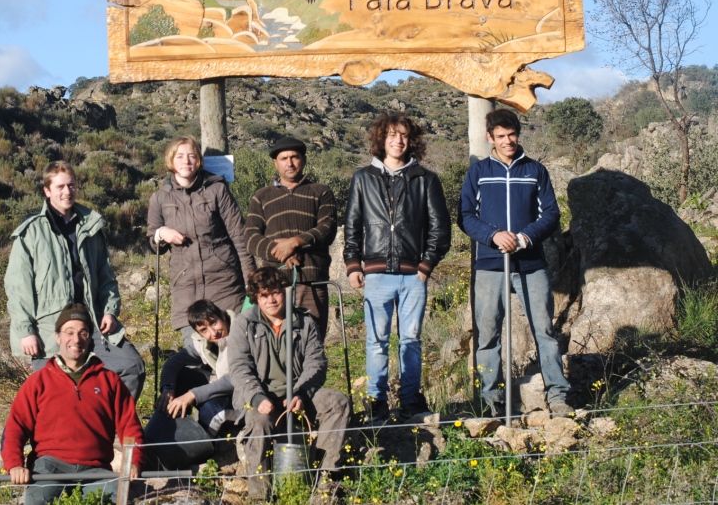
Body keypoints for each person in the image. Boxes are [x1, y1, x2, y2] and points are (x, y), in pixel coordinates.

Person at [460, 109, 572, 417]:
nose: (507, 141)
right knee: (487, 334)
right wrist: (493, 236)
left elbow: (551, 214)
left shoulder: (535, 170)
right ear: (490, 137)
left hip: (531, 263)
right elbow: (465, 216)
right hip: (490, 264)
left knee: (545, 331)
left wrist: (525, 238)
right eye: (501, 136)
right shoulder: (478, 172)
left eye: (512, 135)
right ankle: (490, 402)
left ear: (518, 135)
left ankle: (558, 395)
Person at [4, 161, 145, 401]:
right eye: (60, 187)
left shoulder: (91, 226)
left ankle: (104, 420)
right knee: (51, 393)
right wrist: (26, 332)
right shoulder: (30, 232)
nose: (67, 192)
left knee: (132, 367)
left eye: (71, 185)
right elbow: (18, 288)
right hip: (49, 328)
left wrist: (109, 312)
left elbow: (106, 276)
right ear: (47, 191)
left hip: (91, 321)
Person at [344, 112, 451, 421]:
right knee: (376, 341)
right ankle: (376, 400)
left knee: (411, 341)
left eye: (403, 135)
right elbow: (352, 225)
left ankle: (410, 399)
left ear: (411, 141)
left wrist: (426, 265)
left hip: (413, 275)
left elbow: (440, 228)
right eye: (392, 134)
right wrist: (353, 264)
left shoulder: (426, 179)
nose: (398, 140)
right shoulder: (363, 178)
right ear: (381, 139)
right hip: (376, 275)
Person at [1, 303, 144, 505]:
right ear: (58, 337)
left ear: (90, 339)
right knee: (38, 500)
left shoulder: (110, 380)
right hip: (48, 469)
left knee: (115, 496)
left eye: (83, 333)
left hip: (97, 470)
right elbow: (16, 427)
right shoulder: (38, 381)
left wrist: (134, 461)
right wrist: (15, 465)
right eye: (69, 332)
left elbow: (130, 426)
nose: (76, 339)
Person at [228, 266, 349, 501]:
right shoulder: (244, 324)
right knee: (260, 422)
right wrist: (257, 397)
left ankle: (325, 479)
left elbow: (316, 363)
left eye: (276, 292)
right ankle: (260, 495)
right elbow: (239, 367)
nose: (271, 300)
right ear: (255, 297)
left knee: (337, 402)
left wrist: (301, 392)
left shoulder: (305, 322)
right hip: (262, 398)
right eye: (264, 295)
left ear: (285, 292)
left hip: (299, 393)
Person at [147, 135, 254, 345]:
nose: (186, 161)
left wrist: (251, 279)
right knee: (197, 351)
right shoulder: (159, 198)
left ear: (198, 160)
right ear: (171, 161)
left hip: (225, 285)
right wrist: (161, 234)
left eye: (191, 155)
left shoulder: (217, 190)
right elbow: (152, 243)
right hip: (186, 289)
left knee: (234, 349)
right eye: (180, 156)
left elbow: (240, 238)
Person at [244, 136, 338, 340]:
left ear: (303, 160)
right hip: (273, 284)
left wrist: (295, 242)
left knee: (312, 341)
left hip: (311, 281)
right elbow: (250, 237)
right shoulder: (262, 196)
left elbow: (327, 229)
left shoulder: (321, 191)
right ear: (275, 163)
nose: (290, 163)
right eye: (284, 158)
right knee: (275, 342)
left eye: (294, 157)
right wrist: (281, 253)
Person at [155, 299, 237, 436]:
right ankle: (167, 433)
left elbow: (236, 379)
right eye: (204, 330)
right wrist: (168, 388)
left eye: (213, 323)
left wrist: (192, 394)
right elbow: (174, 362)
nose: (213, 333)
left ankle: (202, 443)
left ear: (223, 316)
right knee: (181, 376)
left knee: (210, 409)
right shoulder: (203, 342)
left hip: (244, 397)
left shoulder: (242, 333)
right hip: (223, 387)